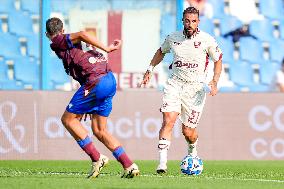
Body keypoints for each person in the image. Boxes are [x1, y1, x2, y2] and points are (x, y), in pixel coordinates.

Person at [45, 17, 139, 179]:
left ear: (50, 34)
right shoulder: (76, 47)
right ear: (63, 28)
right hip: (109, 80)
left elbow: (82, 33)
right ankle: (129, 165)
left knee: (67, 120)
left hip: (96, 82)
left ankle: (97, 158)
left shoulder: (57, 41)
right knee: (99, 130)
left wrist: (107, 48)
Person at [140, 7, 222, 174]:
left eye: (193, 21)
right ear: (182, 21)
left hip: (195, 89)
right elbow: (161, 51)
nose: (190, 24)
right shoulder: (173, 38)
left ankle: (192, 151)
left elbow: (218, 59)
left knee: (188, 132)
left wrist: (214, 81)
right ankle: (162, 164)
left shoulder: (207, 40)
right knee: (168, 120)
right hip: (175, 84)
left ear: (198, 22)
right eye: (187, 20)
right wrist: (149, 69)